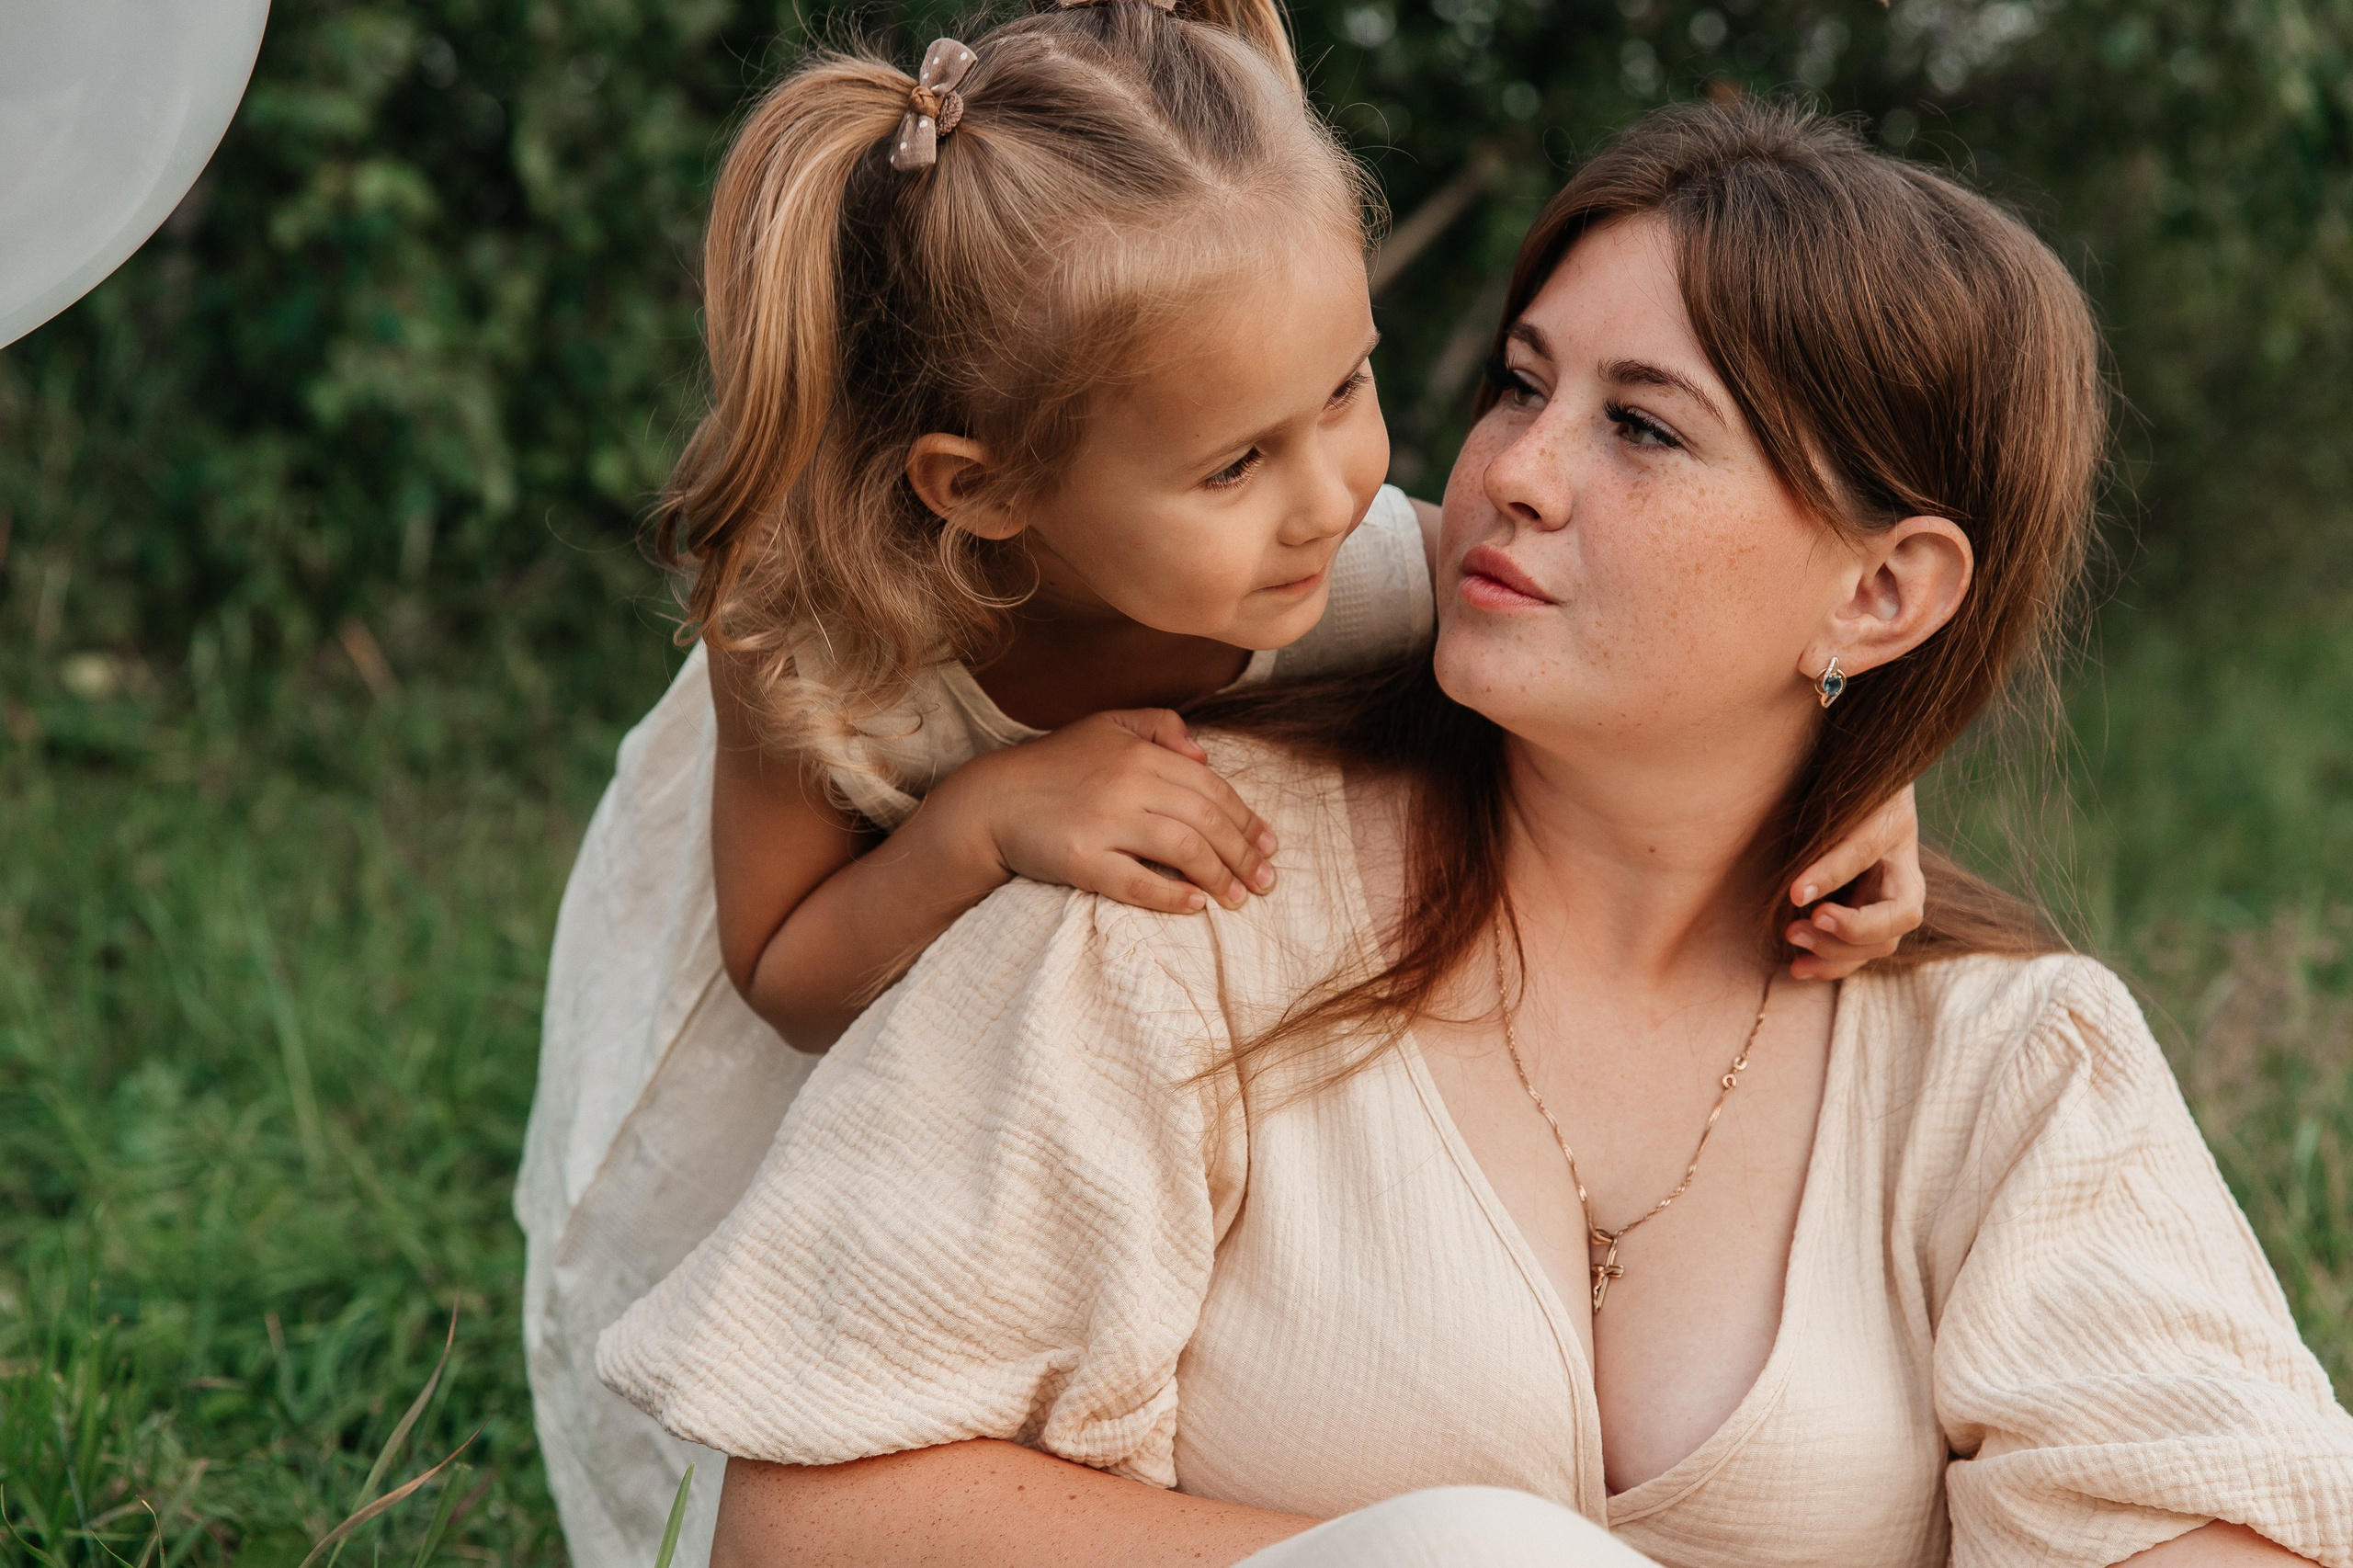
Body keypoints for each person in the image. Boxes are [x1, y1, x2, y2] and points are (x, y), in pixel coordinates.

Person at [597, 100, 2353, 1567]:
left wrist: (1859, 768)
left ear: (1885, 588)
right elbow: (808, 1514)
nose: (1510, 469)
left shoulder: (2008, 1054)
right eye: (1523, 384)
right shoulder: (1180, 875)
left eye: (1643, 426)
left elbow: (2223, 1517)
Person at [509, 6, 1925, 1563]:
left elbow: (1660, 667)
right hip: (805, 1001)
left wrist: (1840, 775)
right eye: (1233, 465)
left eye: (1347, 388)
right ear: (980, 490)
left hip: (1054, 1086)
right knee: (725, 1345)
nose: (1336, 490)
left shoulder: (1372, 570)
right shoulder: (820, 638)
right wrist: (986, 824)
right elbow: (782, 970)